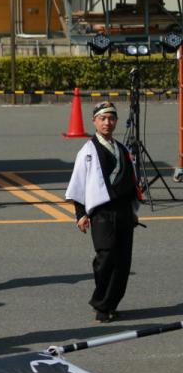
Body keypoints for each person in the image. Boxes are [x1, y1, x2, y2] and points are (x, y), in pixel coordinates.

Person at [65, 101, 141, 323]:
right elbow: (78, 184)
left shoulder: (123, 149)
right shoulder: (87, 151)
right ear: (94, 121)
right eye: (103, 118)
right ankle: (101, 304)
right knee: (106, 256)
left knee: (123, 260)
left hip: (123, 210)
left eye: (111, 118)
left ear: (116, 121)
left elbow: (130, 182)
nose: (107, 122)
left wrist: (133, 210)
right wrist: (80, 213)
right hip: (101, 212)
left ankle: (112, 303)